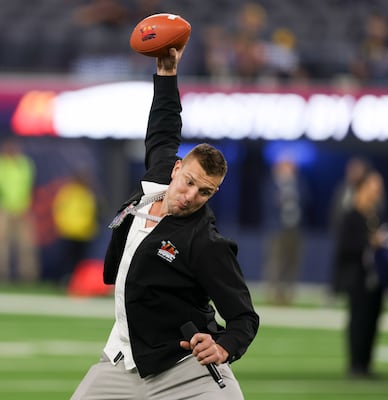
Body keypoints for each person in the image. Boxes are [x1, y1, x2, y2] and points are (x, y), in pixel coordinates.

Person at [70, 46, 259, 399]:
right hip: (123, 360)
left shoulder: (205, 242)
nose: (191, 195)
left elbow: (244, 318)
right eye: (188, 181)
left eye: (205, 192)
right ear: (175, 170)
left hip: (185, 367)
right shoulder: (155, 184)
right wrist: (167, 74)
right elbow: (164, 128)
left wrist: (224, 348)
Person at [333, 169, 387, 379]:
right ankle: (355, 364)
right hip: (357, 276)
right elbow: (344, 247)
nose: (377, 192)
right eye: (374, 187)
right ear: (362, 188)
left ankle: (366, 364)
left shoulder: (375, 214)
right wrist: (369, 242)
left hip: (375, 276)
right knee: (358, 320)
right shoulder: (350, 214)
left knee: (373, 320)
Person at [0, 137, 39, 283]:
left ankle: (28, 277)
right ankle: (0, 277)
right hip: (2, 208)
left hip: (23, 208)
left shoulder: (25, 163)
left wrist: (28, 206)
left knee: (26, 245)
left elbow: (30, 186)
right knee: (0, 245)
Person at [260, 156, 310, 305]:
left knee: (292, 262)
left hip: (295, 228)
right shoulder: (271, 184)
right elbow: (266, 202)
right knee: (275, 262)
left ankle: (288, 294)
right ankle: (273, 293)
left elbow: (307, 200)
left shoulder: (298, 184)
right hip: (277, 229)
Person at [52, 167, 100, 285]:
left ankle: (78, 283)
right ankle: (62, 281)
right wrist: (63, 226)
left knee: (81, 261)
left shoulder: (89, 193)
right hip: (70, 232)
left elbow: (93, 212)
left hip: (84, 234)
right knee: (66, 260)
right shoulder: (68, 192)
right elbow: (59, 210)